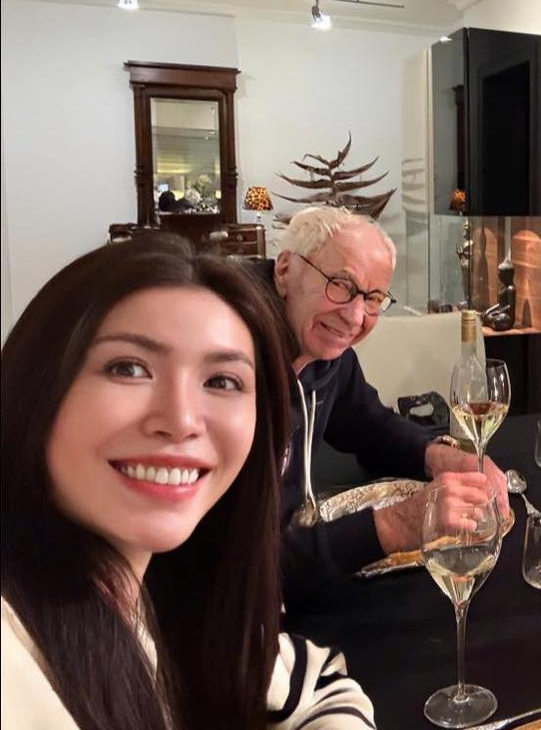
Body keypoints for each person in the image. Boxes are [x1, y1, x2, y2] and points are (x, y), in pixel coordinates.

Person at [0, 235, 375, 728]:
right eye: (128, 368)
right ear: (36, 387)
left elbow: (319, 684)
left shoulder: (168, 592)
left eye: (221, 381)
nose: (180, 420)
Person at [261, 206, 508, 606]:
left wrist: (438, 456)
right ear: (285, 269)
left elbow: (370, 426)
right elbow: (244, 570)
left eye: (373, 298)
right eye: (340, 284)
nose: (355, 317)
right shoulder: (231, 371)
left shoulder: (325, 353)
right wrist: (399, 523)